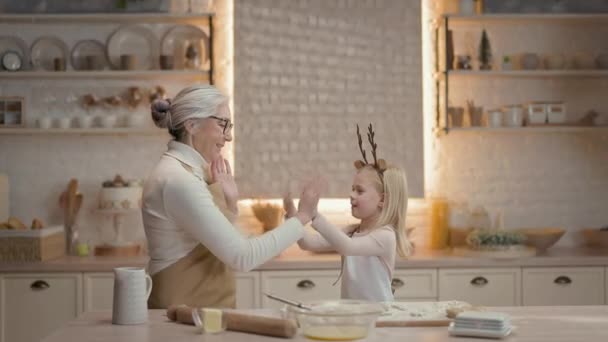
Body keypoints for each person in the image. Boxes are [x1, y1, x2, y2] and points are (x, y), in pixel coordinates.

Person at [142, 84, 321, 309]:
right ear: (192, 124)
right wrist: (302, 217)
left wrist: (231, 204)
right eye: (222, 124)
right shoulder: (179, 180)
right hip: (181, 316)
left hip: (197, 313)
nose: (228, 136)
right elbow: (242, 256)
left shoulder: (188, 173)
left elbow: (220, 244)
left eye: (230, 125)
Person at [284, 124, 412, 302]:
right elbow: (308, 244)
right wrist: (293, 217)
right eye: (352, 189)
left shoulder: (385, 236)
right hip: (354, 316)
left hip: (380, 317)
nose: (351, 195)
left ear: (383, 200)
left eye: (359, 191)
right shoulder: (352, 232)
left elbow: (348, 248)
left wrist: (314, 215)